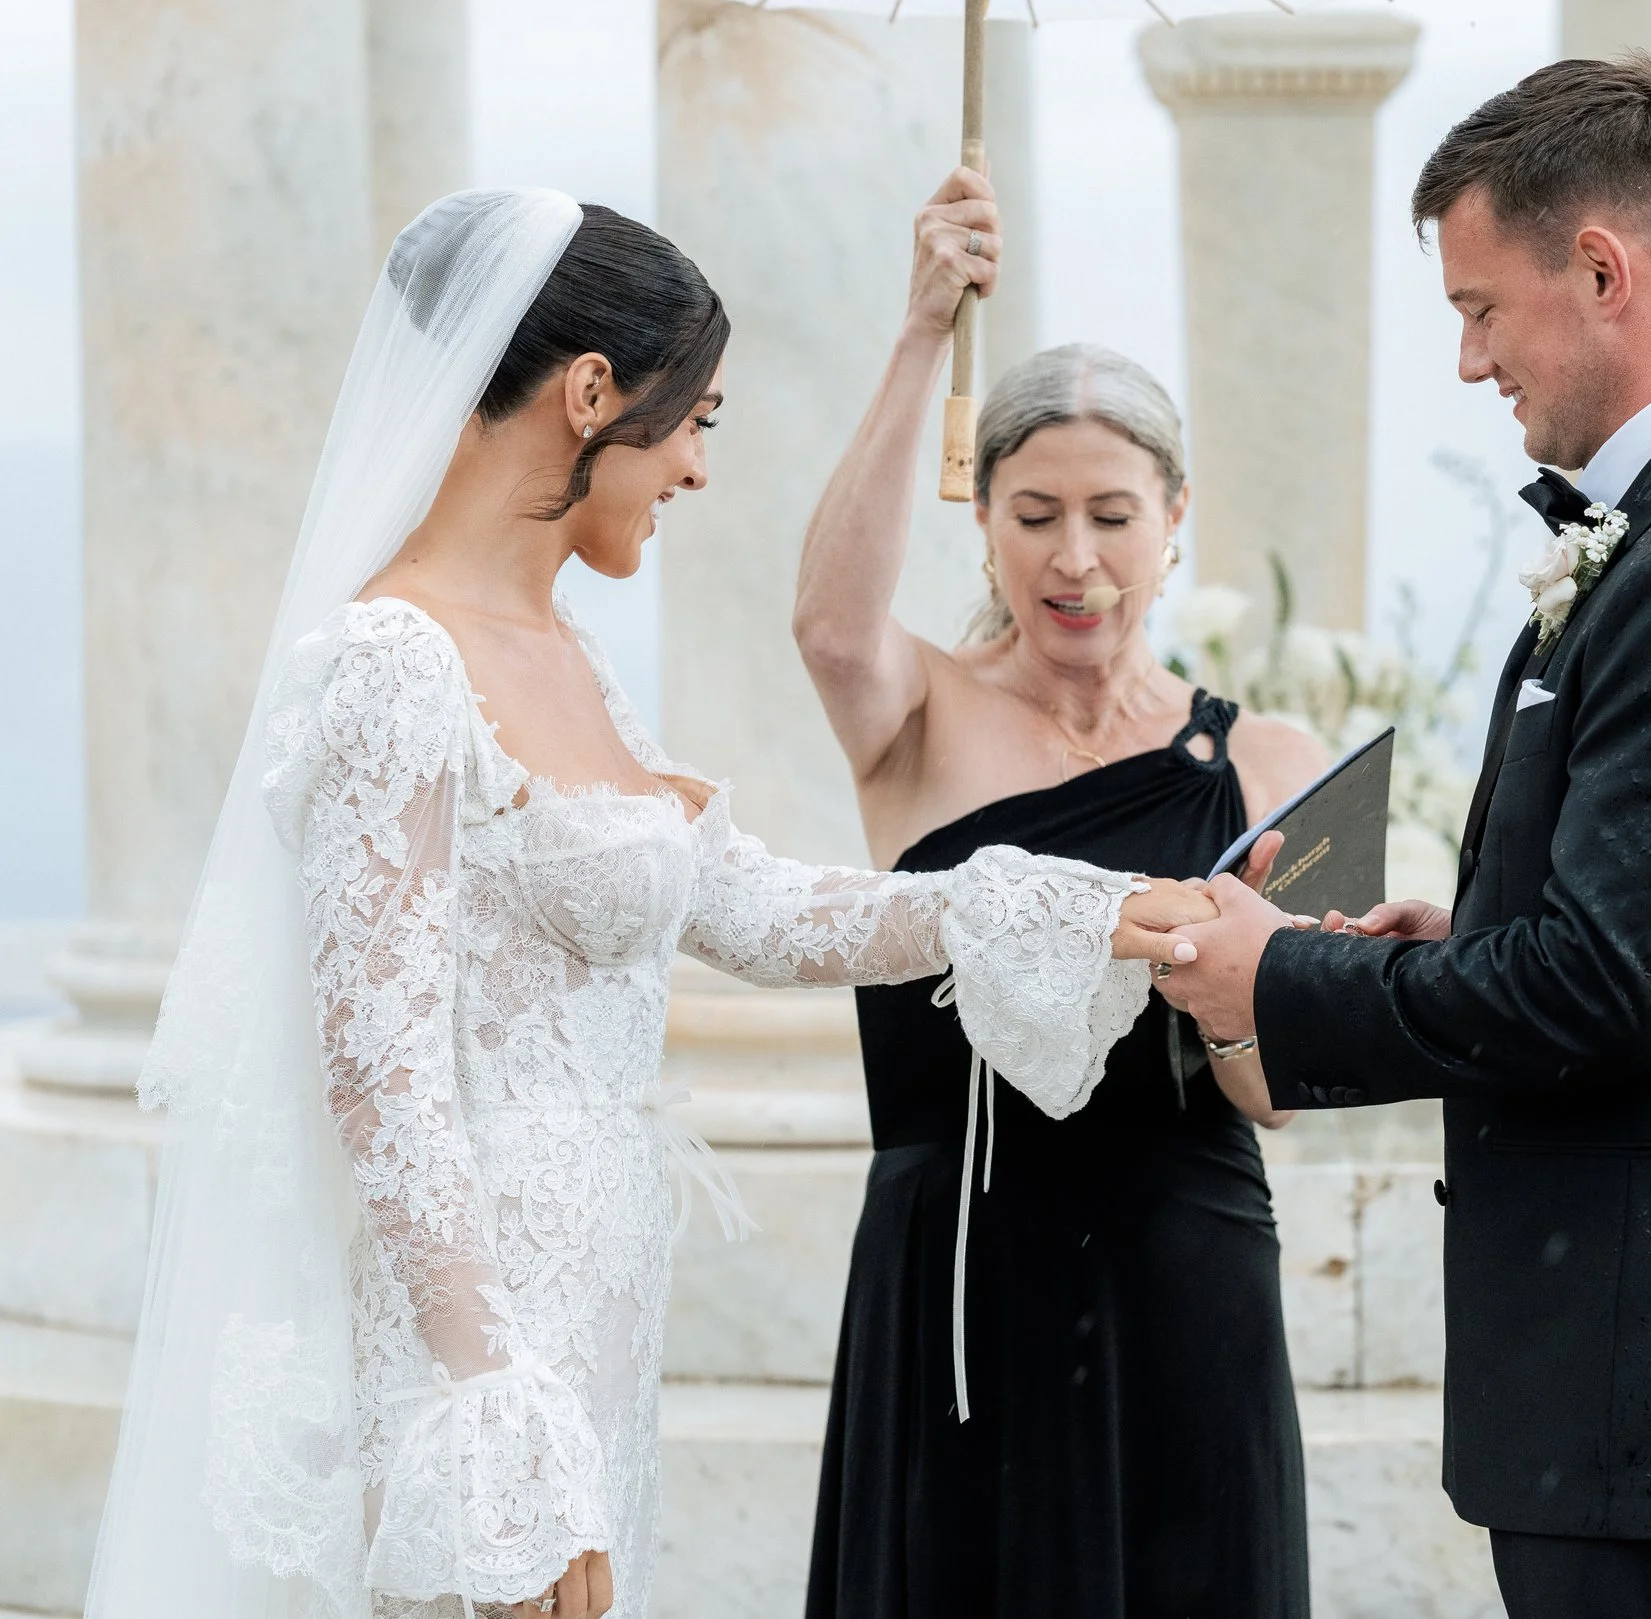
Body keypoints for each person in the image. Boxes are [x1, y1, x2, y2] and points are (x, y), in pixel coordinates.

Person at [84, 189, 1213, 1619]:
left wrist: (1089, 908)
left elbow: (757, 906)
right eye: (695, 421)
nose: (693, 468)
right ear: (590, 392)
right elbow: (383, 1075)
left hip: (597, 1318)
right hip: (472, 1349)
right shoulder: (393, 662)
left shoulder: (568, 654)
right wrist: (493, 1418)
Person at [1159, 54, 1651, 1618]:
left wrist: (1276, 979)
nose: (1465, 360)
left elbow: (1604, 992)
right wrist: (1472, 936)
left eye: (1481, 307)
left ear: (1602, 270)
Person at [789, 170, 1331, 1619]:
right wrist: (921, 329)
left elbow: (1282, 1088)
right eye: (1032, 514)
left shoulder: (1273, 759)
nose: (1073, 558)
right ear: (982, 520)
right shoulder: (919, 721)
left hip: (1189, 1268)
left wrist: (1227, 993)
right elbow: (831, 623)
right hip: (964, 1280)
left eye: (1108, 514)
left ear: (1174, 521)